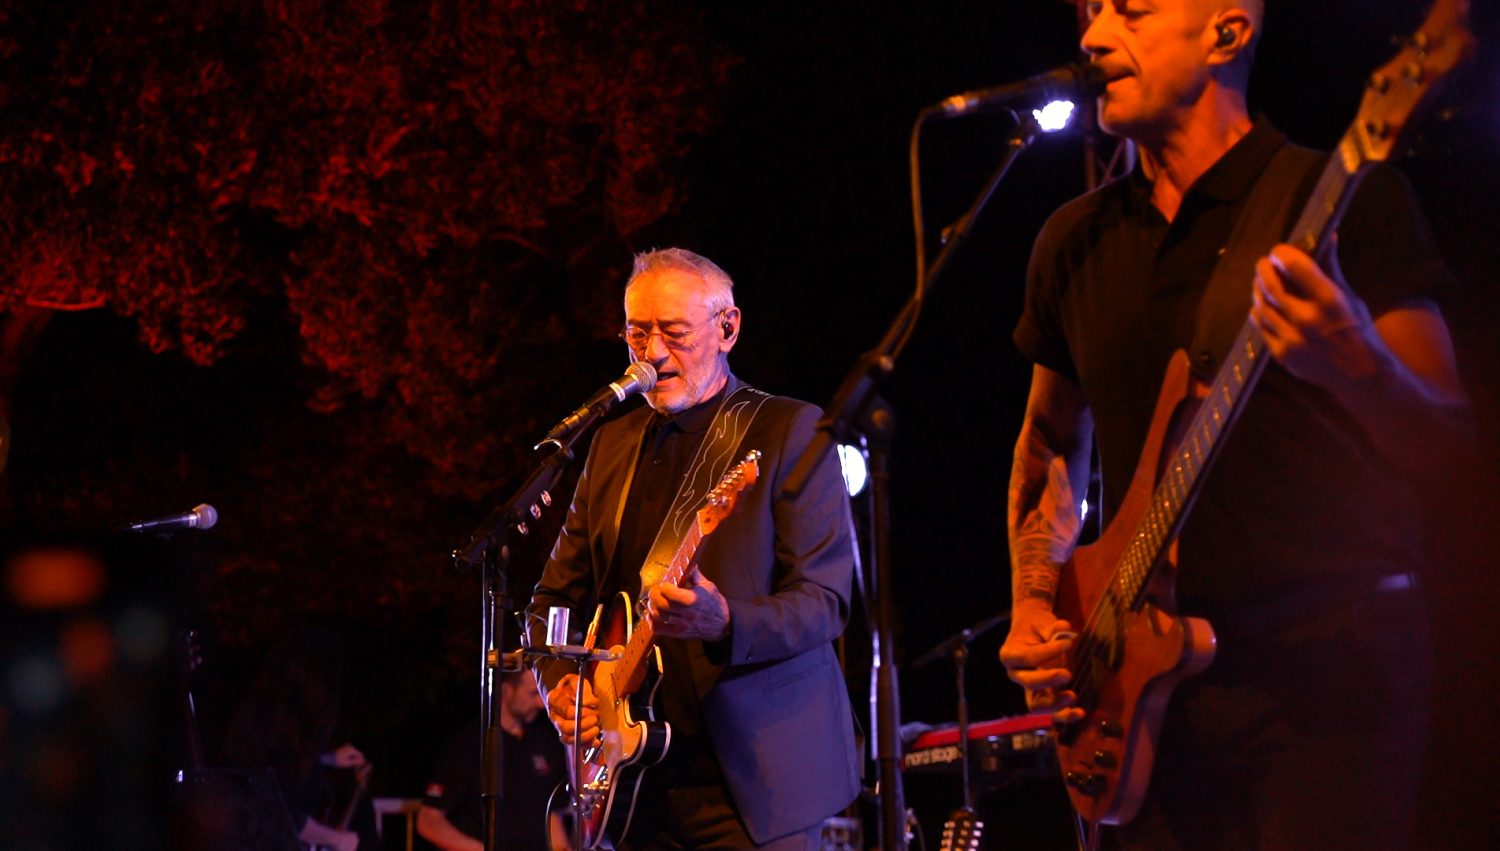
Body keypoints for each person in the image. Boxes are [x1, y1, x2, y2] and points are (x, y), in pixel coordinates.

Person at [996, 1, 1471, 848]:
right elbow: (1046, 450)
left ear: (1227, 32)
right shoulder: (1071, 241)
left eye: (1131, 11)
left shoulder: (1344, 197)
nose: (1093, 37)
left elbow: (1451, 445)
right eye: (1090, 13)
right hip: (1143, 697)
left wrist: (1356, 362)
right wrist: (1035, 605)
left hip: (1328, 681)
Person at [526, 248, 861, 849]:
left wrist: (726, 621)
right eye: (637, 333)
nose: (652, 354)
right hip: (635, 779)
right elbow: (553, 595)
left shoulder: (789, 430)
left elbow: (826, 601)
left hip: (755, 782)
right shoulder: (609, 445)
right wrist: (557, 680)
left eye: (674, 333)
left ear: (727, 328)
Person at [417, 671, 569, 851]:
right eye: (532, 694)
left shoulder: (545, 743)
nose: (540, 704)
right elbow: (429, 820)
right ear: (505, 691)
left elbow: (553, 813)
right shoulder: (470, 743)